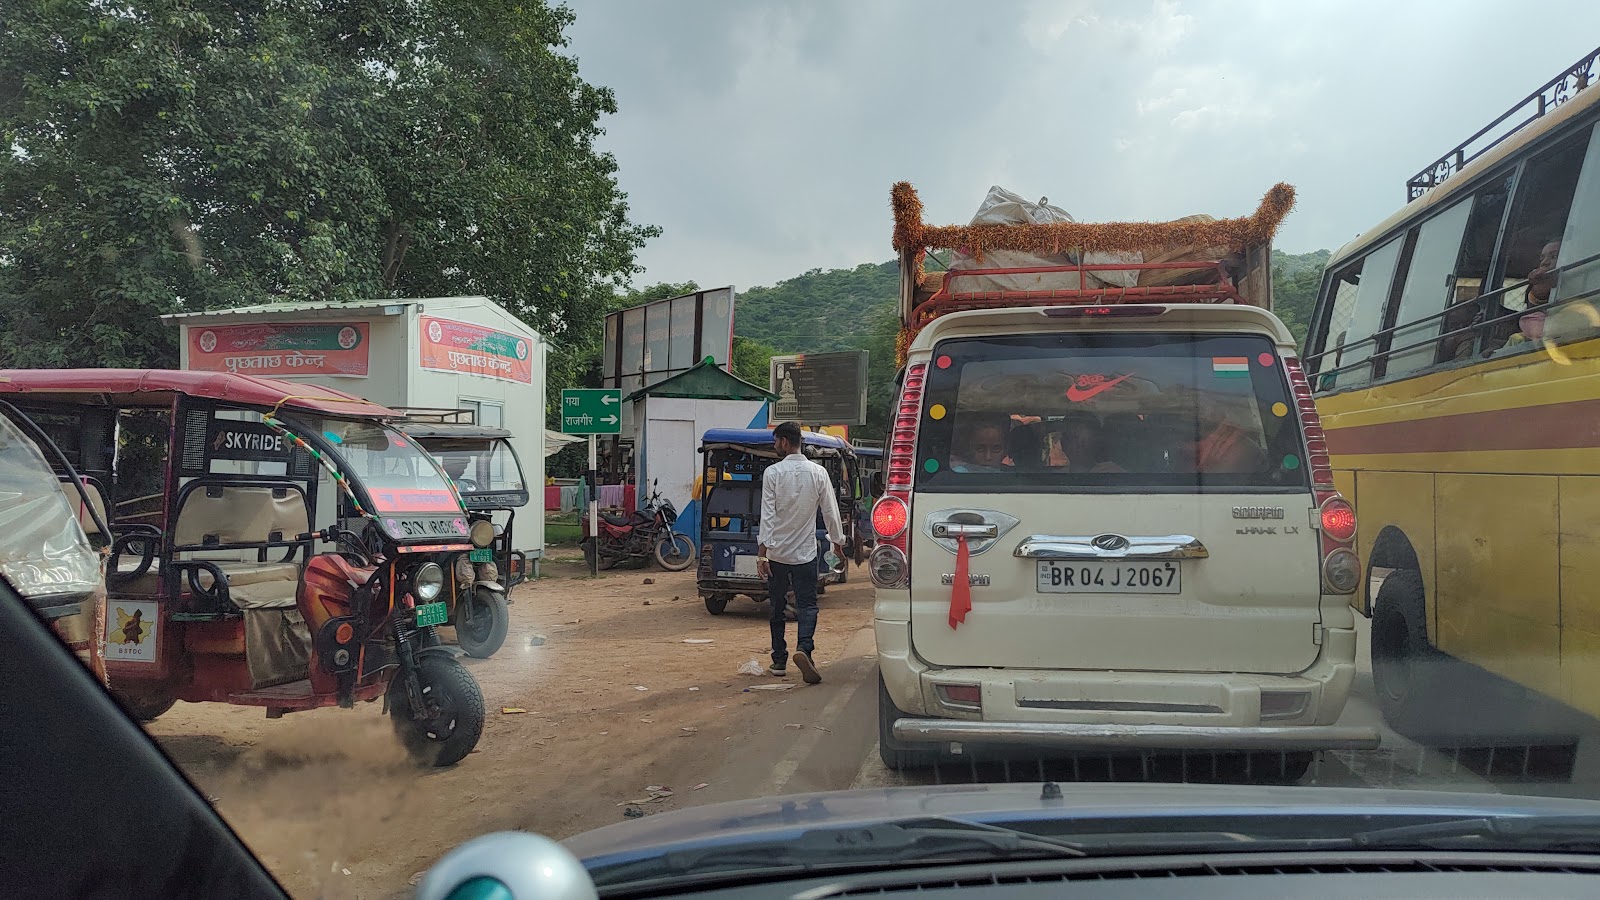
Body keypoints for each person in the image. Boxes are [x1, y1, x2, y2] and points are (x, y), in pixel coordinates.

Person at [757, 422, 845, 685]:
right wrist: (838, 543)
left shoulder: (772, 473)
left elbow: (767, 516)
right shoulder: (818, 473)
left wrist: (762, 553)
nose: (775, 447)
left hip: (777, 554)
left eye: (775, 442)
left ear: (784, 442)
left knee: (777, 606)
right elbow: (830, 511)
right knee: (807, 605)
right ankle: (804, 649)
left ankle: (779, 660)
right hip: (806, 554)